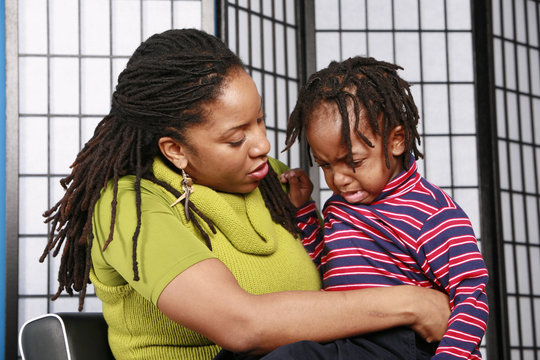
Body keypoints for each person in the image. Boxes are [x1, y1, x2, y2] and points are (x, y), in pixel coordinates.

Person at [41, 29, 450, 360]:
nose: (263, 146)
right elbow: (242, 325)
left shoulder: (273, 182)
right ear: (176, 150)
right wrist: (412, 304)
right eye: (237, 138)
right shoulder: (130, 206)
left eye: (260, 121)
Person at [281, 56, 489, 359]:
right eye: (325, 165)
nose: (338, 179)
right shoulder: (340, 206)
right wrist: (303, 212)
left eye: (353, 162)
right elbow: (322, 268)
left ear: (397, 140)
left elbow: (471, 295)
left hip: (401, 345)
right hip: (343, 333)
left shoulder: (432, 213)